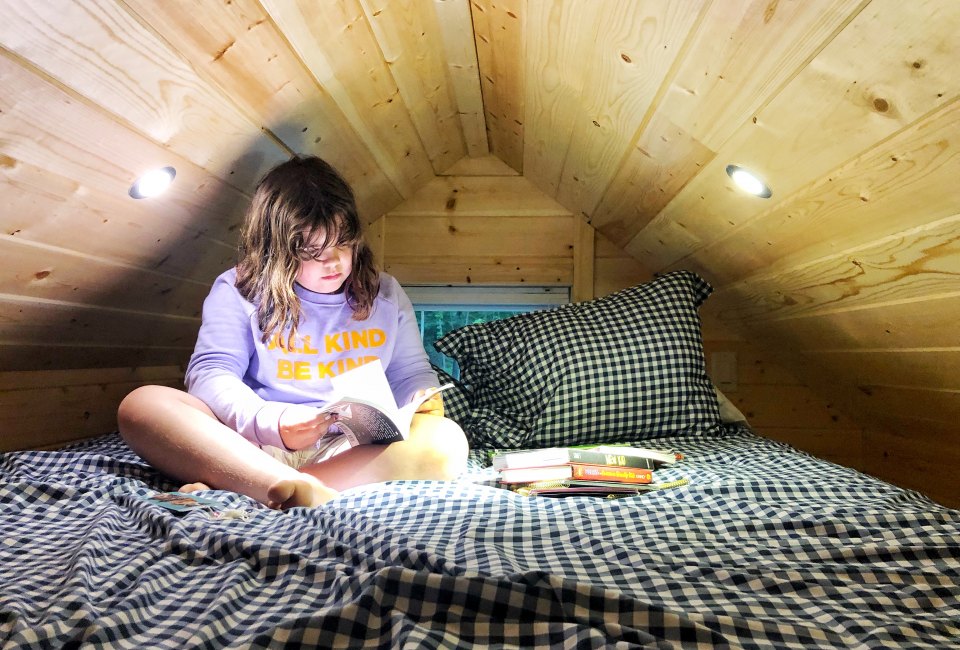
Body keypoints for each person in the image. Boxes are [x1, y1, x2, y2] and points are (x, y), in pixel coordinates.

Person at [118, 155, 469, 509]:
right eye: (313, 252)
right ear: (278, 250)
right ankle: (278, 484)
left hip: (347, 450)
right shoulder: (238, 289)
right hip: (251, 443)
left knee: (447, 441)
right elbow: (210, 374)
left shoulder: (386, 293)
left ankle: (271, 489)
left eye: (343, 243)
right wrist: (275, 422)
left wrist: (420, 397)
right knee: (143, 405)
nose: (333, 262)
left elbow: (409, 372)